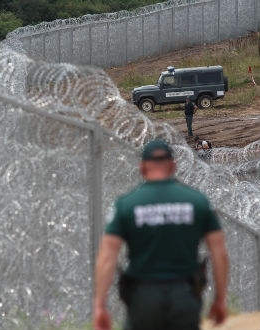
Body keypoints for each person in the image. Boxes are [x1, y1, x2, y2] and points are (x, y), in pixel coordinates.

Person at [93, 139, 229, 330]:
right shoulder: (197, 202)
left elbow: (107, 257)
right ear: (173, 166)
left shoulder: (126, 205)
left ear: (142, 168)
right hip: (185, 295)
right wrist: (220, 299)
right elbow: (219, 253)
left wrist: (99, 305)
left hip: (143, 296)